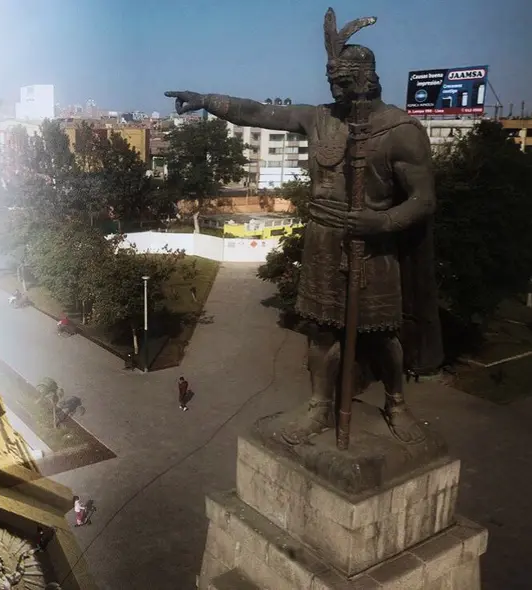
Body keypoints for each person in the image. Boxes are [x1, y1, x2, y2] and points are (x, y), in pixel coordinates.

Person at [165, 7, 441, 446]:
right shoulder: (319, 118)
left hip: (375, 246)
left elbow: (423, 200)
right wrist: (205, 99)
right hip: (324, 242)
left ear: (367, 79)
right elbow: (256, 112)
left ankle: (396, 402)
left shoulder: (401, 131)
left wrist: (380, 221)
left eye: (344, 82)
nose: (336, 89)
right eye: (332, 82)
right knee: (321, 329)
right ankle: (318, 405)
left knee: (384, 333)